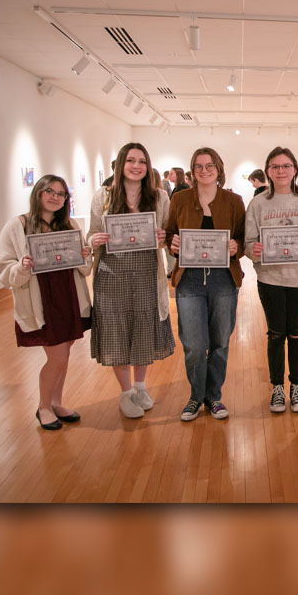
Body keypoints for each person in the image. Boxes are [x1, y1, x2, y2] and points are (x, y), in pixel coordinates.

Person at [0, 175, 93, 430]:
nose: (55, 197)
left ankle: (56, 402)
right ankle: (43, 407)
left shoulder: (68, 224)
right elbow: (4, 270)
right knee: (58, 356)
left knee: (65, 351)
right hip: (41, 300)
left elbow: (84, 269)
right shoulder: (16, 226)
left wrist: (84, 256)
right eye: (50, 191)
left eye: (61, 194)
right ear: (38, 192)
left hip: (68, 294)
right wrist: (22, 266)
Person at [88, 143, 175, 418]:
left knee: (143, 327)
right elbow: (90, 235)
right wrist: (94, 239)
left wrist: (163, 238)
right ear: (120, 164)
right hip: (110, 274)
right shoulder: (103, 195)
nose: (136, 166)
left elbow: (167, 237)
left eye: (142, 161)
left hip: (147, 273)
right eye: (131, 160)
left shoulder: (159, 196)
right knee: (116, 330)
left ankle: (140, 386)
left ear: (147, 166)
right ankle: (125, 393)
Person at [165, 147, 244, 422]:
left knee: (220, 340)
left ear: (218, 169)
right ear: (192, 171)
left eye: (209, 165)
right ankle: (195, 397)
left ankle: (214, 397)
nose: (204, 170)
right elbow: (170, 234)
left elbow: (244, 238)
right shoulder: (180, 199)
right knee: (195, 344)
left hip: (224, 279)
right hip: (189, 281)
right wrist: (172, 244)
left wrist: (237, 246)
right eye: (198, 166)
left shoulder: (234, 201)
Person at [245, 147, 298, 413]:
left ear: (295, 169)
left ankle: (296, 386)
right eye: (275, 167)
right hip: (270, 278)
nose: (281, 171)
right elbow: (248, 242)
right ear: (268, 170)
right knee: (276, 334)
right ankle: (277, 387)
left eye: (286, 166)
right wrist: (252, 249)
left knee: (297, 334)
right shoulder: (257, 203)